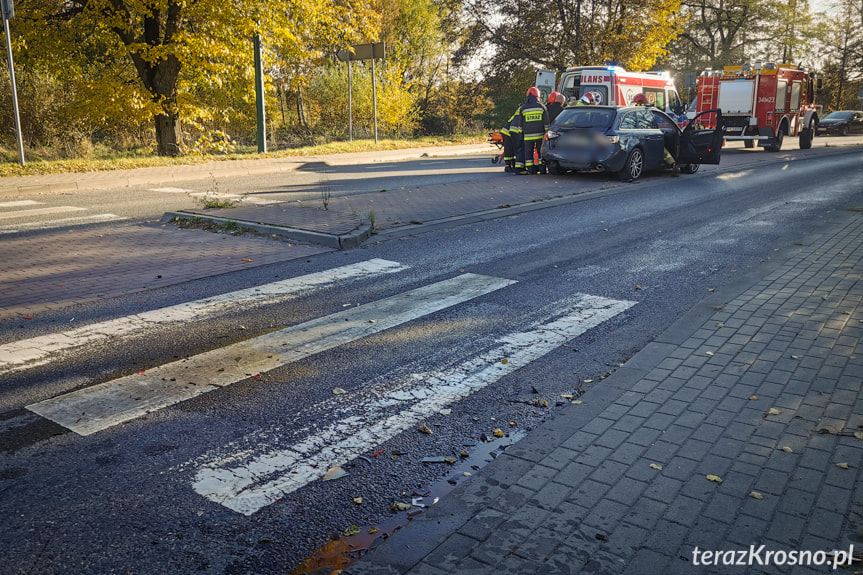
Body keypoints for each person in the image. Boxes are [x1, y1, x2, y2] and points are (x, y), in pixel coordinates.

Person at [633, 93, 679, 176]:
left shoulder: (635, 112)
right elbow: (653, 124)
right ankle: (673, 164)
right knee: (663, 151)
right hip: (650, 137)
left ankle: (672, 164)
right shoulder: (647, 112)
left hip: (643, 137)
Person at [513, 87, 548, 175]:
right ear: (538, 96)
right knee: (540, 153)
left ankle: (530, 170)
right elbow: (546, 123)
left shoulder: (523, 108)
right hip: (540, 135)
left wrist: (520, 135)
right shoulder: (542, 107)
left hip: (527, 136)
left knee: (528, 153)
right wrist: (547, 133)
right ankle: (542, 169)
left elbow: (520, 124)